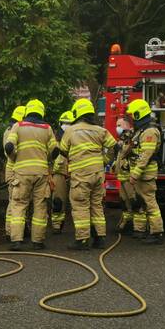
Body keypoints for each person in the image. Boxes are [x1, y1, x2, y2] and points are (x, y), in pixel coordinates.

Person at [60, 98, 116, 249]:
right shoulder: (100, 130)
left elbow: (63, 151)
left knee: (80, 205)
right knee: (96, 205)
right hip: (98, 174)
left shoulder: (71, 130)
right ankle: (100, 238)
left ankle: (83, 239)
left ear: (77, 113)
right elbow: (114, 147)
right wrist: (105, 161)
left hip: (81, 175)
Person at [3, 99, 59, 250]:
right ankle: (38, 241)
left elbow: (9, 147)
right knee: (40, 206)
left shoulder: (18, 126)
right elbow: (55, 151)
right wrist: (46, 160)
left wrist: (14, 157)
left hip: (21, 173)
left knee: (19, 205)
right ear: (41, 111)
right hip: (41, 173)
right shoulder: (47, 128)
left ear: (27, 111)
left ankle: (16, 241)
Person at [127, 98, 164, 244]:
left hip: (145, 174)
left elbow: (145, 155)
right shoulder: (141, 130)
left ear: (138, 114)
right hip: (140, 173)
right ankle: (140, 230)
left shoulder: (150, 131)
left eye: (132, 115)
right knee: (140, 202)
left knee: (149, 203)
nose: (130, 119)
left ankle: (156, 233)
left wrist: (135, 173)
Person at [114, 116, 142, 236]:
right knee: (125, 203)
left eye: (120, 125)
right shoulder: (122, 140)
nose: (117, 128)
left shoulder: (132, 138)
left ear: (128, 125)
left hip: (130, 177)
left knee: (135, 202)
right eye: (117, 125)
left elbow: (130, 154)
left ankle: (139, 229)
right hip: (122, 177)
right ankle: (126, 225)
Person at [3, 105, 26, 235]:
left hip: (14, 169)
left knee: (17, 201)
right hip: (14, 169)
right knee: (14, 201)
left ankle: (16, 230)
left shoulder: (9, 130)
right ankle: (10, 231)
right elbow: (11, 153)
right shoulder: (13, 131)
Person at [51, 111, 76, 233]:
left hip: (76, 172)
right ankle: (57, 224)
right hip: (59, 173)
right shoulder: (54, 139)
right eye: (65, 123)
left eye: (70, 123)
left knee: (79, 200)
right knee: (57, 201)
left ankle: (82, 227)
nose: (67, 126)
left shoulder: (78, 139)